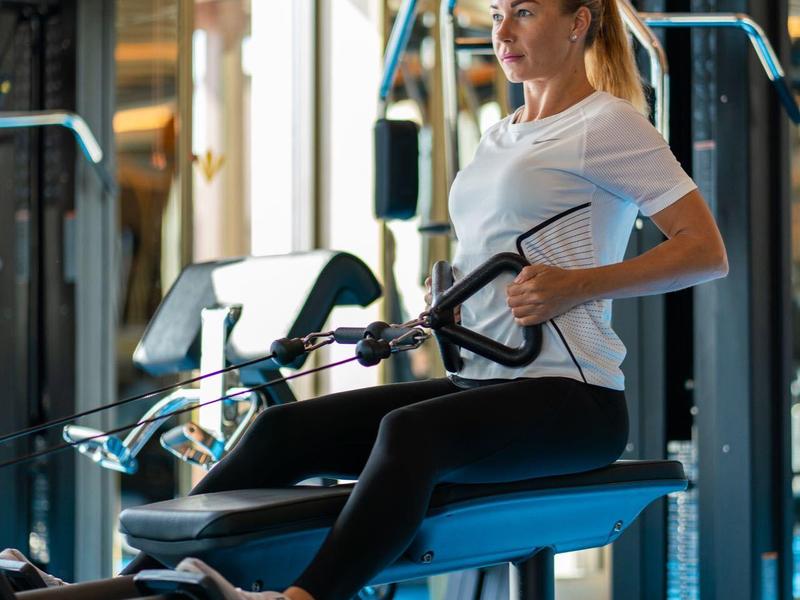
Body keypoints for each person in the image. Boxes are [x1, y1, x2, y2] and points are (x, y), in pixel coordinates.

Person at [3, 0, 728, 598]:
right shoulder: (503, 131)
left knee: (411, 436)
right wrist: (448, 294)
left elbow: (705, 251)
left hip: (574, 399)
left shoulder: (608, 123)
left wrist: (578, 284)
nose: (502, 31)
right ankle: (134, 589)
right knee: (280, 434)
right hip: (488, 380)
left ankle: (303, 598)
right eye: (500, 14)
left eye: (526, 14)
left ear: (580, 23)